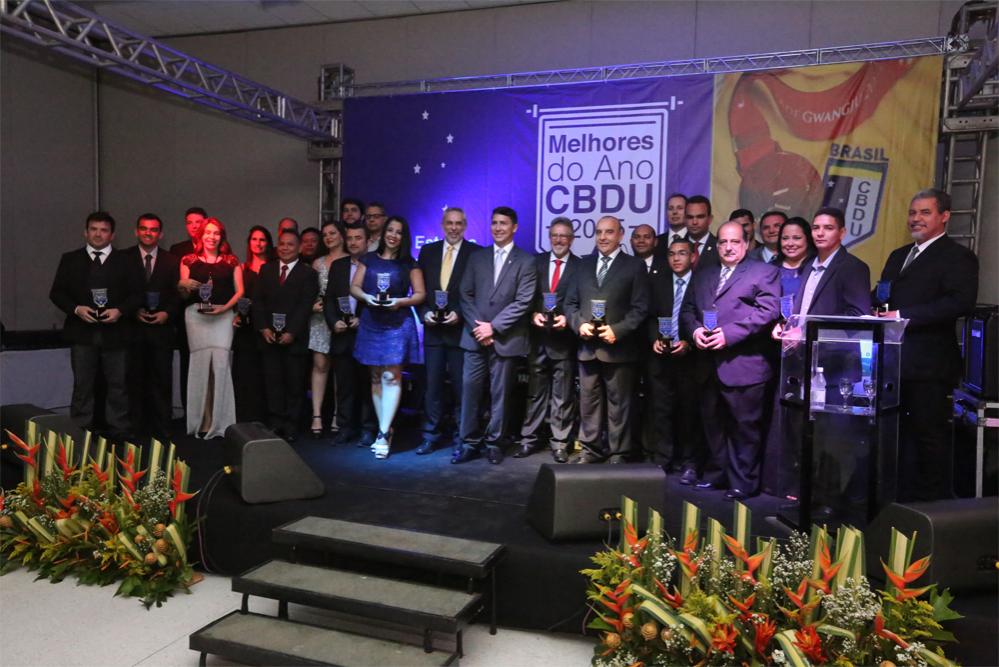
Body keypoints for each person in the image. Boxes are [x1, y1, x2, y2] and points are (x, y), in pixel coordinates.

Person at [876, 188, 978, 501]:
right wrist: (872, 310)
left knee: (929, 440)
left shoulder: (958, 256)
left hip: (930, 367)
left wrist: (902, 315)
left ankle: (933, 510)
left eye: (924, 212)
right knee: (895, 439)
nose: (915, 219)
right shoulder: (898, 255)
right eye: (912, 212)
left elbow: (959, 303)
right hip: (893, 364)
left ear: (944, 216)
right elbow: (882, 294)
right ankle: (896, 503)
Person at [764, 208, 870, 499]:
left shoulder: (852, 267)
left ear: (842, 233)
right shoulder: (810, 264)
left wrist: (808, 333)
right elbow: (803, 313)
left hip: (836, 367)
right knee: (806, 433)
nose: (820, 233)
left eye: (828, 228)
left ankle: (828, 501)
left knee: (830, 439)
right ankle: (807, 494)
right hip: (806, 363)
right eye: (816, 227)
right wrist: (787, 326)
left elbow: (857, 318)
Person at [681, 221, 779, 499]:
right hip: (707, 364)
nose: (728, 247)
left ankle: (743, 483)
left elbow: (767, 312)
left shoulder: (764, 272)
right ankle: (717, 475)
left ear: (746, 244)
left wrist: (729, 334)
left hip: (743, 364)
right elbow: (687, 310)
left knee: (744, 428)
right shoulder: (704, 274)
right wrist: (695, 331)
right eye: (723, 241)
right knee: (712, 425)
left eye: (735, 241)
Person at [453, 206, 537, 465]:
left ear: (515, 227)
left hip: (505, 339)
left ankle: (494, 443)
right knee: (470, 392)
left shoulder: (526, 261)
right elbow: (465, 294)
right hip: (474, 337)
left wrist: (494, 327)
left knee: (500, 395)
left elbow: (523, 301)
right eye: (494, 223)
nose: (498, 228)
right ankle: (468, 443)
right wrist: (480, 328)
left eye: (503, 223)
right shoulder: (477, 257)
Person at [564, 215, 650, 464]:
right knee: (588, 403)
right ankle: (590, 450)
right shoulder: (583, 264)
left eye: (609, 232)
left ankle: (618, 453)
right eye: (599, 232)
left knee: (619, 405)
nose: (603, 237)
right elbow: (569, 304)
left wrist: (618, 330)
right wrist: (579, 324)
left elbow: (641, 308)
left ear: (620, 235)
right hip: (587, 348)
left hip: (619, 349)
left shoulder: (634, 266)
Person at [50, 211, 141, 440]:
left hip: (117, 333)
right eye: (94, 229)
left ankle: (120, 431)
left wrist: (120, 310)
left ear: (112, 235)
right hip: (82, 333)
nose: (98, 234)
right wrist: (76, 309)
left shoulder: (127, 261)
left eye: (104, 230)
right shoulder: (70, 259)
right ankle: (79, 431)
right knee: (82, 385)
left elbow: (138, 294)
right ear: (85, 232)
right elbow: (57, 293)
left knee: (118, 385)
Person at [351, 216, 426, 459]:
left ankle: (383, 433)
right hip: (371, 321)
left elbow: (420, 295)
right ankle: (386, 428)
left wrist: (400, 302)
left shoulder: (409, 263)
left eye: (399, 232)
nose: (393, 235)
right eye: (390, 230)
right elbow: (354, 287)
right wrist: (366, 298)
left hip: (398, 323)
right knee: (375, 376)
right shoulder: (369, 259)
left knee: (391, 376)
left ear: (404, 237)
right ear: (384, 233)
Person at [415, 207, 480, 455]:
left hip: (461, 332)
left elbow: (477, 293)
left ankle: (462, 437)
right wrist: (424, 313)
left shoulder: (475, 253)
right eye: (450, 223)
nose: (454, 228)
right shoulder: (428, 251)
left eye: (459, 223)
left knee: (462, 389)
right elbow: (419, 291)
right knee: (432, 387)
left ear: (465, 226)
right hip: (433, 332)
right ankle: (430, 435)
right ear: (442, 225)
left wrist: (460, 314)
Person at [515, 217, 579, 463]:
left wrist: (568, 319)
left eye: (564, 236)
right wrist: (533, 314)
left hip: (564, 340)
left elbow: (581, 301)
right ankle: (528, 439)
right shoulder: (536, 262)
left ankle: (560, 443)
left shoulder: (580, 266)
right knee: (535, 393)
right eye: (555, 235)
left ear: (571, 239)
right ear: (549, 237)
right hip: (538, 338)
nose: (559, 240)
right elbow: (526, 295)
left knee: (562, 395)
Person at [178, 217, 243, 439]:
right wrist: (182, 285)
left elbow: (240, 291)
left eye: (216, 233)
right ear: (201, 235)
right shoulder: (188, 260)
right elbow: (183, 293)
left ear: (221, 236)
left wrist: (225, 308)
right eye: (208, 232)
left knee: (221, 368)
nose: (211, 237)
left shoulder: (231, 261)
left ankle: (222, 422)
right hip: (196, 317)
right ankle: (202, 421)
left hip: (223, 318)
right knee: (199, 369)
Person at [252, 230, 318, 441]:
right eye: (282, 244)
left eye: (290, 244)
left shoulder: (308, 273)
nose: (285, 248)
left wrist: (292, 332)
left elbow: (305, 305)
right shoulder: (266, 269)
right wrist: (263, 328)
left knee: (294, 384)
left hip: (294, 339)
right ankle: (275, 424)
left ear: (299, 248)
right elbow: (257, 301)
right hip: (269, 338)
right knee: (273, 383)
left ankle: (291, 426)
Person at [646, 238, 702, 481]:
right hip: (662, 358)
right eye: (671, 254)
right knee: (661, 411)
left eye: (682, 253)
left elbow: (704, 318)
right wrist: (654, 339)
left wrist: (689, 343)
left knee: (689, 413)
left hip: (691, 359)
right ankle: (663, 459)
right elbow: (648, 316)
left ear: (693, 257)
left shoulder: (702, 282)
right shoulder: (657, 282)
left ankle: (689, 462)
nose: (676, 258)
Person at [125, 213, 181, 440]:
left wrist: (166, 313)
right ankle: (135, 429)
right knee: (134, 381)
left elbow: (178, 294)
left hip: (162, 331)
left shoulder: (172, 260)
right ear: (136, 231)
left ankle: (163, 428)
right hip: (133, 331)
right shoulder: (123, 258)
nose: (148, 233)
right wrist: (132, 310)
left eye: (153, 229)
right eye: (144, 228)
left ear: (161, 234)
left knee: (162, 381)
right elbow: (119, 291)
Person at [323, 223, 377, 447]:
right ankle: (345, 428)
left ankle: (367, 429)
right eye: (350, 238)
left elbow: (380, 299)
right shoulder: (338, 266)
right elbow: (328, 299)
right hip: (342, 334)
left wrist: (363, 320)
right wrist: (333, 320)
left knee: (366, 386)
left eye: (358, 238)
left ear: (368, 241)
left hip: (366, 334)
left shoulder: (375, 265)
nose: (353, 242)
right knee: (344, 386)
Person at [308, 221, 349, 436]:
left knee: (341, 369)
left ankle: (337, 414)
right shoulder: (318, 263)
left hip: (343, 319)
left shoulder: (352, 260)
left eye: (332, 233)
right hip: (320, 318)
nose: (328, 237)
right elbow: (309, 292)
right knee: (320, 365)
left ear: (342, 235)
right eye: (325, 235)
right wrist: (312, 305)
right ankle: (316, 415)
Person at [232, 226, 274, 422]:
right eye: (254, 239)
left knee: (265, 373)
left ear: (268, 243)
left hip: (268, 328)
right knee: (244, 372)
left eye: (262, 239)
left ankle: (263, 417)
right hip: (246, 328)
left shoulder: (274, 268)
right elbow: (236, 298)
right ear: (249, 243)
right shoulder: (241, 268)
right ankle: (244, 416)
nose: (258, 243)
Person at [170, 206, 207, 412]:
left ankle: (206, 411)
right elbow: (170, 281)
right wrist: (181, 284)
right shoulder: (178, 250)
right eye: (189, 222)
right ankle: (188, 412)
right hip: (185, 314)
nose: (194, 226)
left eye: (198, 222)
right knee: (187, 362)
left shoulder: (214, 246)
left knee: (207, 364)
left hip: (210, 314)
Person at [685, 195, 718, 267]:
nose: (694, 222)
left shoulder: (719, 248)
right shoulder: (675, 247)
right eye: (690, 217)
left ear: (710, 219)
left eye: (700, 217)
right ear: (685, 219)